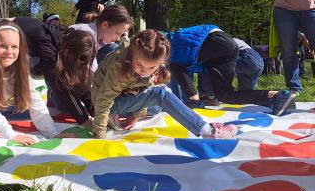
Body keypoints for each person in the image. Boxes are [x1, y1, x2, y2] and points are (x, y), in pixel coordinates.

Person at [91, 29, 238, 140]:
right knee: (162, 93)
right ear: (131, 56)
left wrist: (136, 114)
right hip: (106, 103)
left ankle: (116, 116)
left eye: (151, 68)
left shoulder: (151, 64)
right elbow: (104, 100)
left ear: (161, 63)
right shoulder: (120, 67)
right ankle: (207, 131)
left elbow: (140, 88)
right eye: (139, 65)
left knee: (156, 107)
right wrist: (100, 134)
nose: (144, 71)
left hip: (120, 100)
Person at [0, 17, 96, 126]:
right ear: (69, 51)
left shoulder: (62, 42)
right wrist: (84, 119)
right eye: (78, 61)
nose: (79, 66)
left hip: (13, 35)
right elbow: (62, 88)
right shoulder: (47, 50)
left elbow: (80, 81)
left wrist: (97, 111)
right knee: (1, 68)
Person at [167, 25, 297, 116]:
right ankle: (279, 96)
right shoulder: (176, 47)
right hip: (226, 49)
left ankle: (200, 99)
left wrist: (193, 98)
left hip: (220, 43)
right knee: (226, 96)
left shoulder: (169, 43)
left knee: (174, 64)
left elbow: (178, 67)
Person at [198, 38, 264, 105]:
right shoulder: (225, 38)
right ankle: (270, 99)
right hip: (258, 61)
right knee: (245, 95)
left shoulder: (217, 41)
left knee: (208, 64)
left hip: (246, 56)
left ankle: (208, 96)